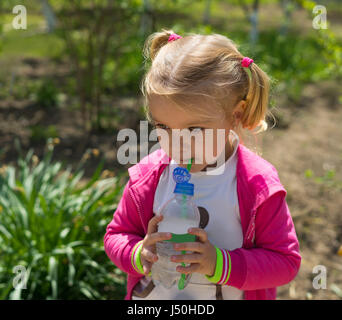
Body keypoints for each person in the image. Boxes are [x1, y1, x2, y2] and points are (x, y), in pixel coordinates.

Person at [104, 29, 301, 300]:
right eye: (163, 127)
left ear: (236, 115)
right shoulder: (149, 177)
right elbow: (118, 234)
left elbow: (285, 262)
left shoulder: (257, 185)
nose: (177, 143)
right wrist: (139, 253)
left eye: (194, 129)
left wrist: (219, 264)